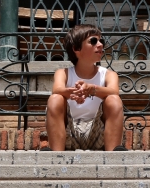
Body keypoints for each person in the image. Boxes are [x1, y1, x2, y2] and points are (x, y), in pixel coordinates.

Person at [45, 24, 126, 152]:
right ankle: (56, 155)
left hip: (97, 132)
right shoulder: (63, 73)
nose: (100, 44)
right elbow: (57, 89)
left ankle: (113, 154)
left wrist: (91, 89)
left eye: (101, 41)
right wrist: (76, 92)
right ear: (76, 48)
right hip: (69, 133)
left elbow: (114, 91)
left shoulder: (109, 74)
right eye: (93, 41)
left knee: (114, 100)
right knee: (55, 99)